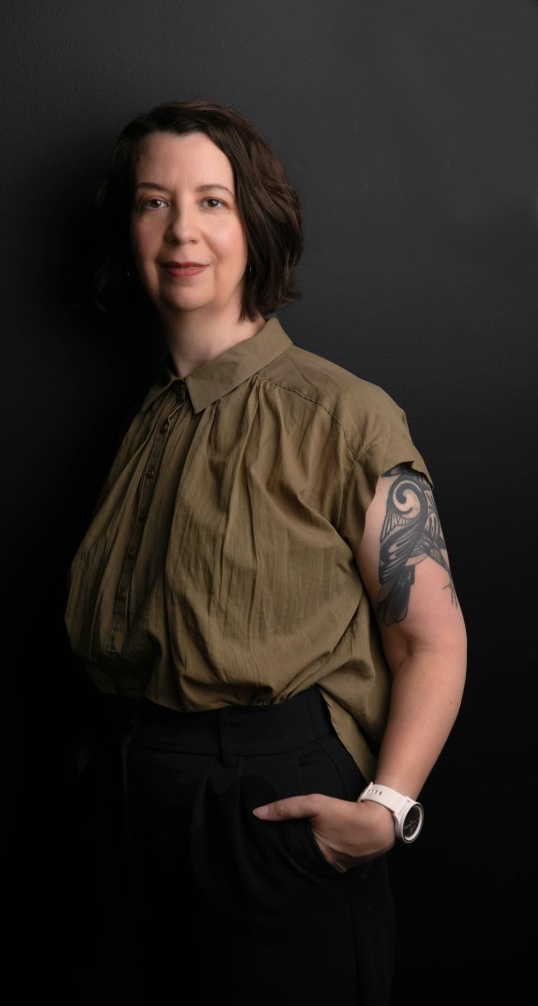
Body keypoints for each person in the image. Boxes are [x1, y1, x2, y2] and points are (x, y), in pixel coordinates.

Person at [64, 98, 467, 1006]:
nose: (181, 231)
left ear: (257, 224)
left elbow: (430, 638)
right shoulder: (146, 420)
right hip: (129, 810)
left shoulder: (340, 414)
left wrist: (384, 811)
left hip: (268, 810)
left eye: (212, 201)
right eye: (151, 202)